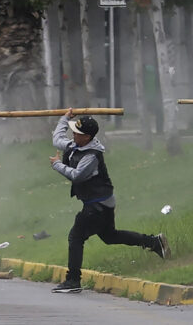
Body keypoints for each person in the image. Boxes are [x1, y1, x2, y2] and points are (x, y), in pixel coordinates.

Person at [48, 108, 170, 293]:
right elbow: (57, 139)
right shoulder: (76, 145)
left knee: (76, 237)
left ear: (87, 137)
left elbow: (78, 176)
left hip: (98, 205)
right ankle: (154, 242)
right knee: (109, 236)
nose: (73, 134)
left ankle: (73, 280)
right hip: (101, 203)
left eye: (77, 133)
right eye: (73, 130)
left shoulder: (91, 156)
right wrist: (65, 118)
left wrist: (57, 164)